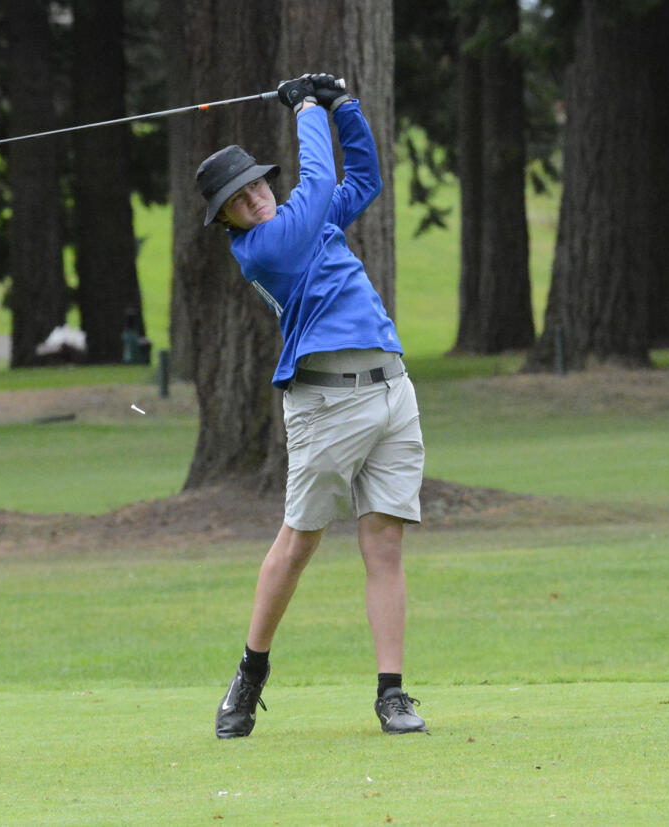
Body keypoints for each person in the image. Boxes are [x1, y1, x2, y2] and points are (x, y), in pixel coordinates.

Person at [195, 73, 428, 738]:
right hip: (325, 403)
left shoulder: (303, 217)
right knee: (298, 543)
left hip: (391, 389)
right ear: (228, 220)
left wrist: (344, 108)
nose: (255, 199)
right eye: (239, 200)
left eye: (258, 185)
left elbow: (364, 180)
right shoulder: (265, 247)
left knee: (383, 541)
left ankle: (392, 693)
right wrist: (305, 109)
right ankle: (250, 672)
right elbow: (322, 182)